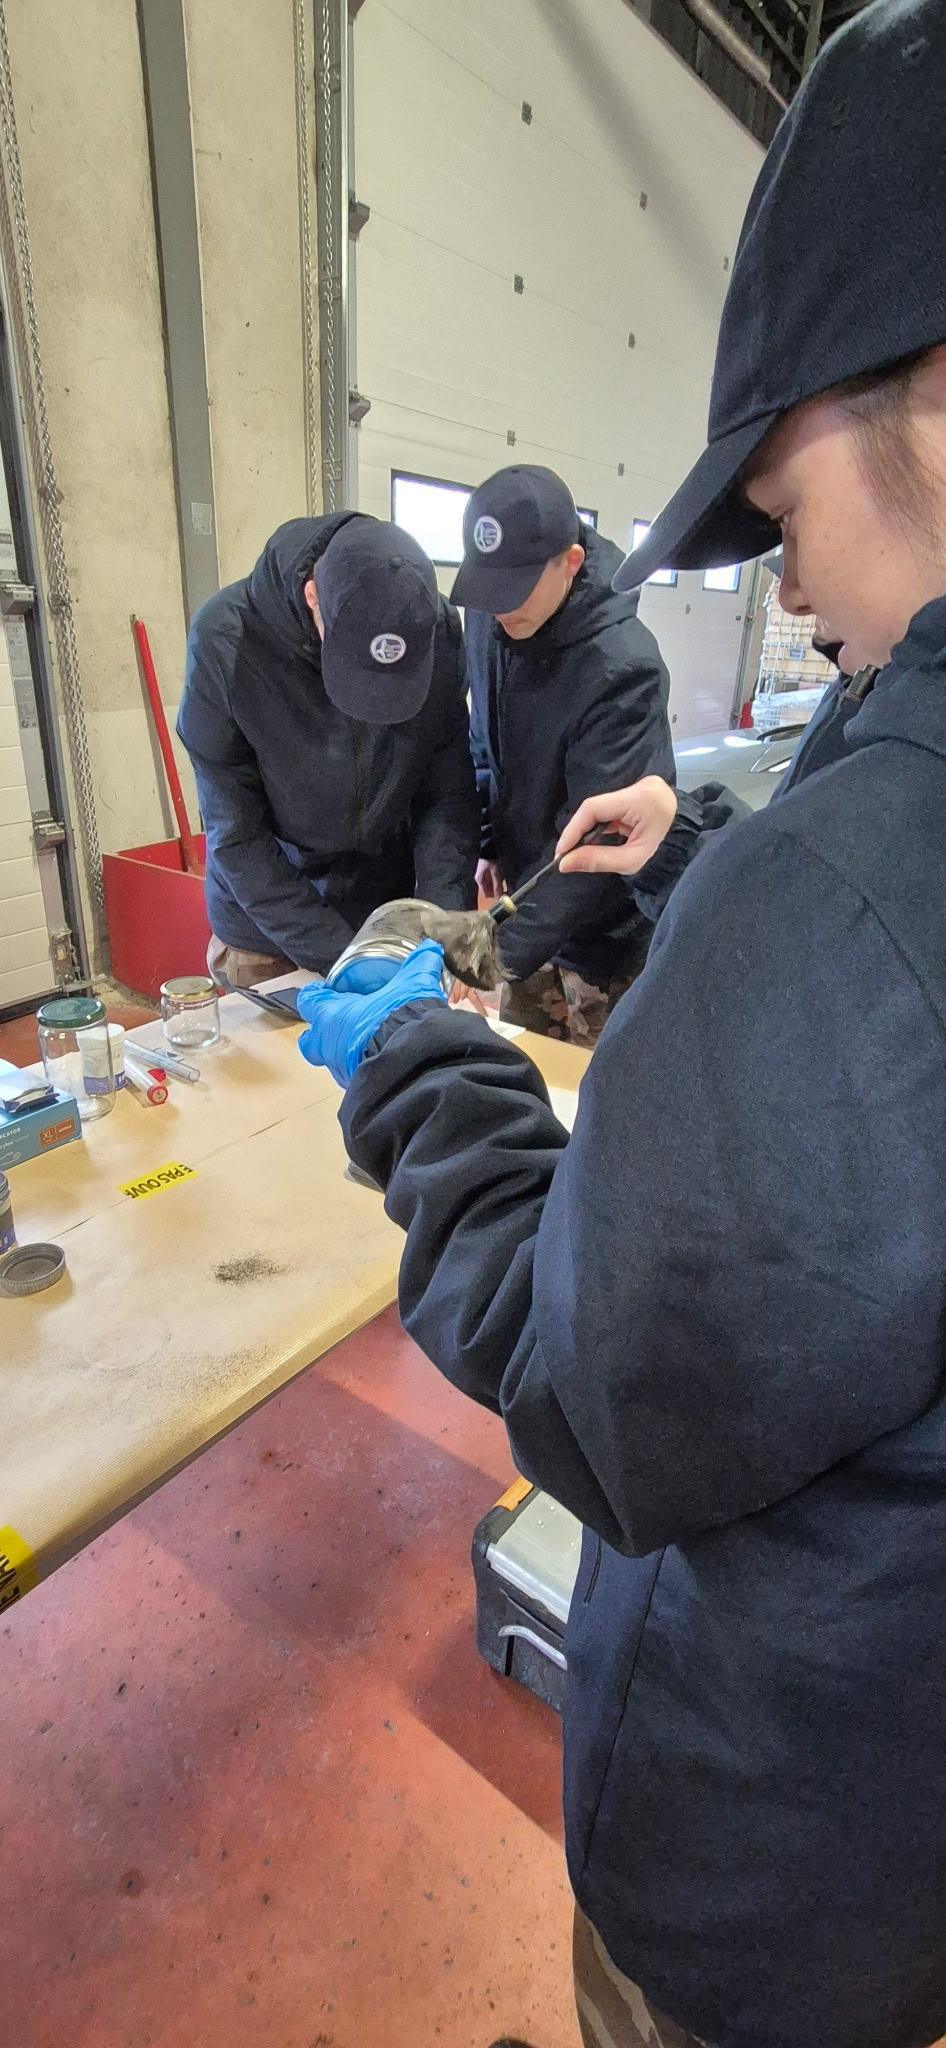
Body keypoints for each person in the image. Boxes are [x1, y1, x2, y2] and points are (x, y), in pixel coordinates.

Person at [296, 5, 946, 2047]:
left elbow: (593, 1388)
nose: (796, 596)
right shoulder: (838, 868)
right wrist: (702, 859)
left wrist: (425, 1080)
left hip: (782, 1859)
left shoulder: (844, 891)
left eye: (785, 496)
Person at [177, 515, 479, 988]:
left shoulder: (435, 629)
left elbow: (446, 793)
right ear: (313, 595)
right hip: (269, 928)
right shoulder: (228, 641)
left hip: (384, 912)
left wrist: (439, 923)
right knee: (270, 1062)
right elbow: (236, 834)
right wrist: (343, 957)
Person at [455, 465, 695, 1046]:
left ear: (571, 562)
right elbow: (483, 741)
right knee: (521, 1081)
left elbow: (598, 844)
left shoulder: (622, 668)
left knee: (593, 1101)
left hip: (598, 938)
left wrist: (485, 957)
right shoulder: (492, 620)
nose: (500, 612)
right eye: (489, 591)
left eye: (516, 589)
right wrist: (488, 842)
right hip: (526, 912)